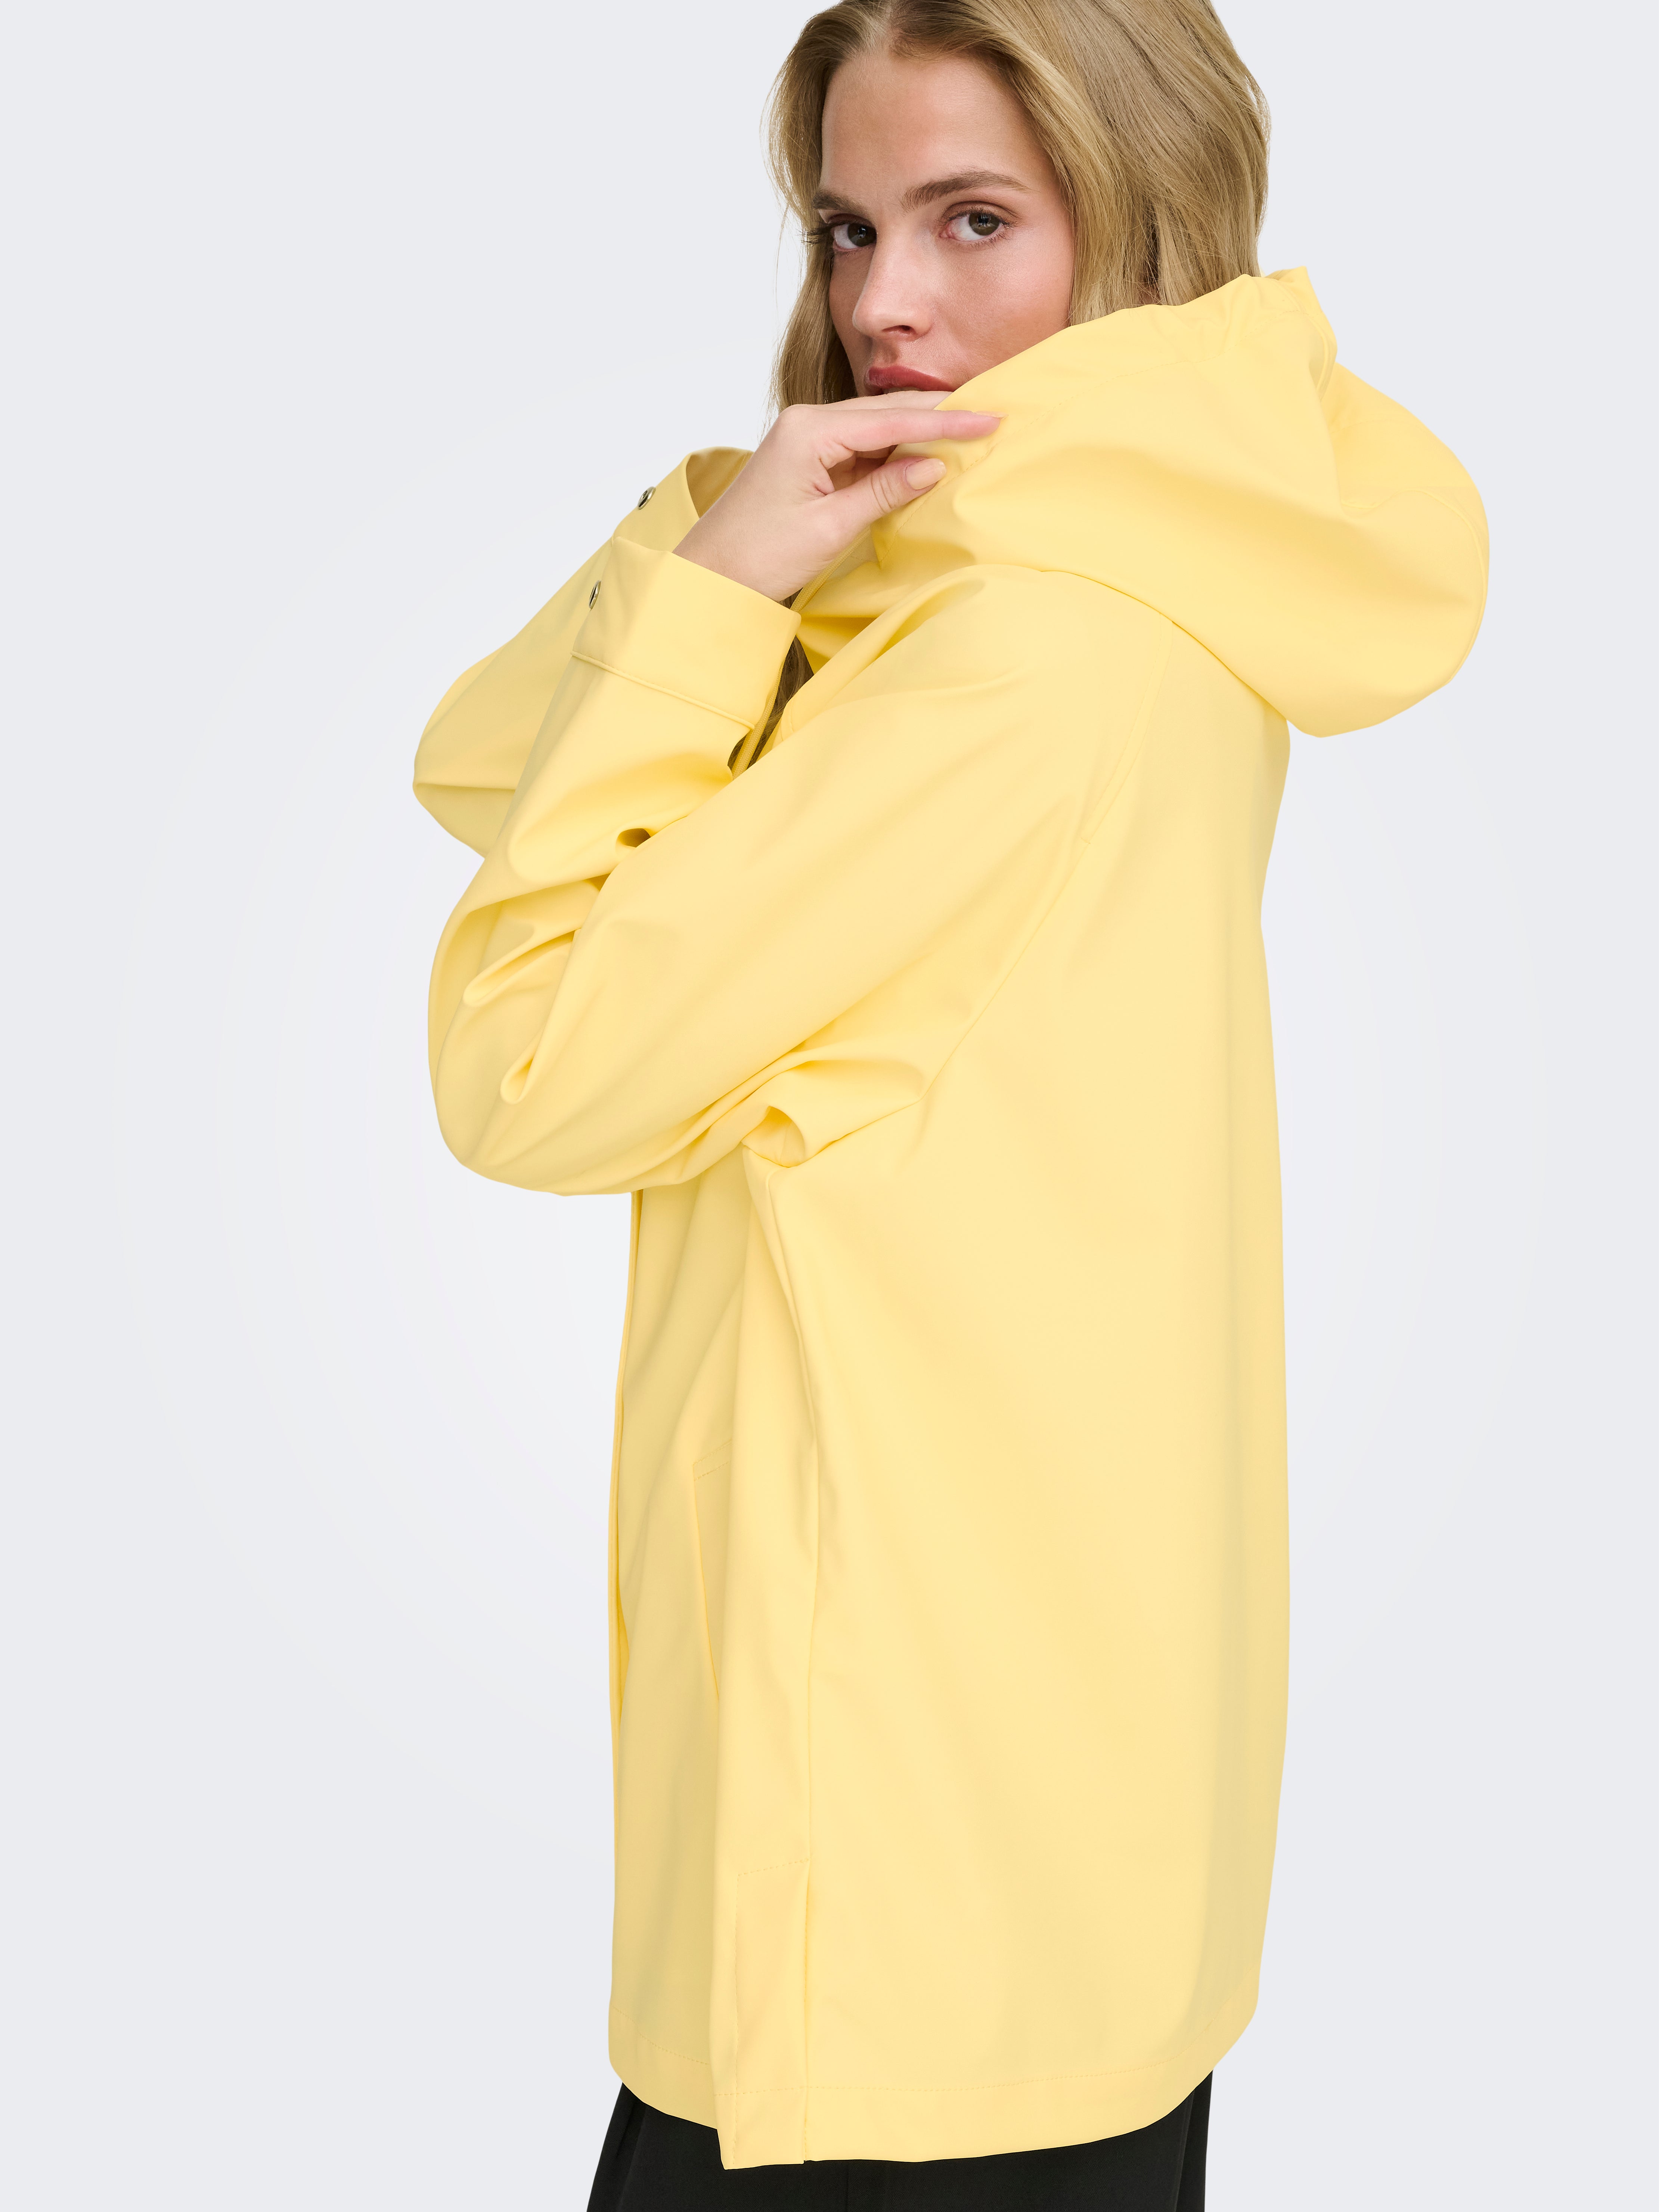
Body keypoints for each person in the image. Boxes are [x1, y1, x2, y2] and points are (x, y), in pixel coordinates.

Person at [413, 1, 1488, 2202]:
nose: (884, 301)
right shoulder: (1137, 575)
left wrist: (710, 595)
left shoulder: (1005, 660)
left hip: (885, 1871)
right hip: (1054, 1813)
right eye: (848, 227)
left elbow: (525, 1062)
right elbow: (481, 764)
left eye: (976, 220)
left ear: (1145, 218)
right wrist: (723, 547)